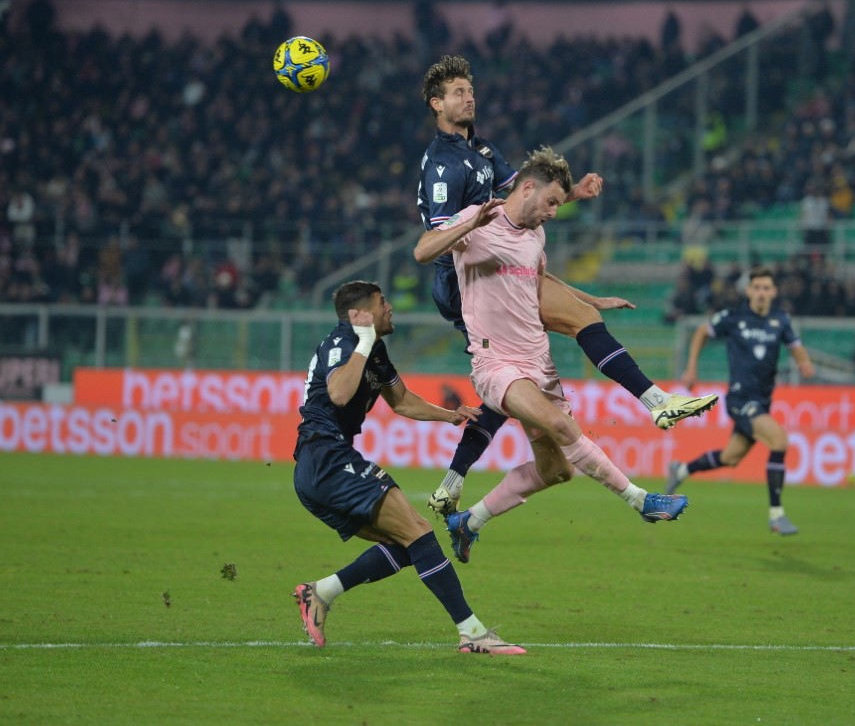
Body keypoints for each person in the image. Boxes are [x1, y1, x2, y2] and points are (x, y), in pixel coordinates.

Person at [415, 55, 716, 518]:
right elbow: (433, 242)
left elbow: (528, 195)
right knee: (511, 366)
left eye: (470, 88)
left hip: (503, 258)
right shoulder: (442, 163)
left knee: (546, 436)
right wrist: (475, 222)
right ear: (436, 104)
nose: (469, 96)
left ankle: (458, 492)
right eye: (457, 91)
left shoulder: (484, 151)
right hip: (465, 275)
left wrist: (570, 194)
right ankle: (654, 414)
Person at [414, 147, 690, 563]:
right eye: (552, 202)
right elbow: (422, 251)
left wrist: (589, 299)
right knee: (561, 427)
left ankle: (468, 522)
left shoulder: (535, 236)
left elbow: (538, 282)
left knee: (559, 470)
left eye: (559, 205)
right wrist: (469, 222)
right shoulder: (478, 220)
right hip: (496, 364)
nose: (554, 213)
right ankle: (642, 501)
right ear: (527, 188)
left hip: (538, 363)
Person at [291, 280, 524, 655]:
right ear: (359, 315)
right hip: (325, 459)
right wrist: (364, 342)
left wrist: (449, 416)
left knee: (406, 543)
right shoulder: (342, 343)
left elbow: (400, 401)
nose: (390, 307)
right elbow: (338, 393)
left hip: (324, 465)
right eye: (382, 302)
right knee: (418, 533)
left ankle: (321, 592)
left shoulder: (375, 351)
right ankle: (473, 633)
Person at [665, 267, 815, 536]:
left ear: (773, 292)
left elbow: (795, 345)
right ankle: (776, 515)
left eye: (766, 288)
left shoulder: (780, 320)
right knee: (779, 440)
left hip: (762, 401)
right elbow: (701, 332)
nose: (761, 293)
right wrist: (691, 369)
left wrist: (803, 362)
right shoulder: (734, 317)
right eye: (756, 288)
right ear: (748, 291)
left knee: (730, 457)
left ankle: (681, 470)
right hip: (739, 398)